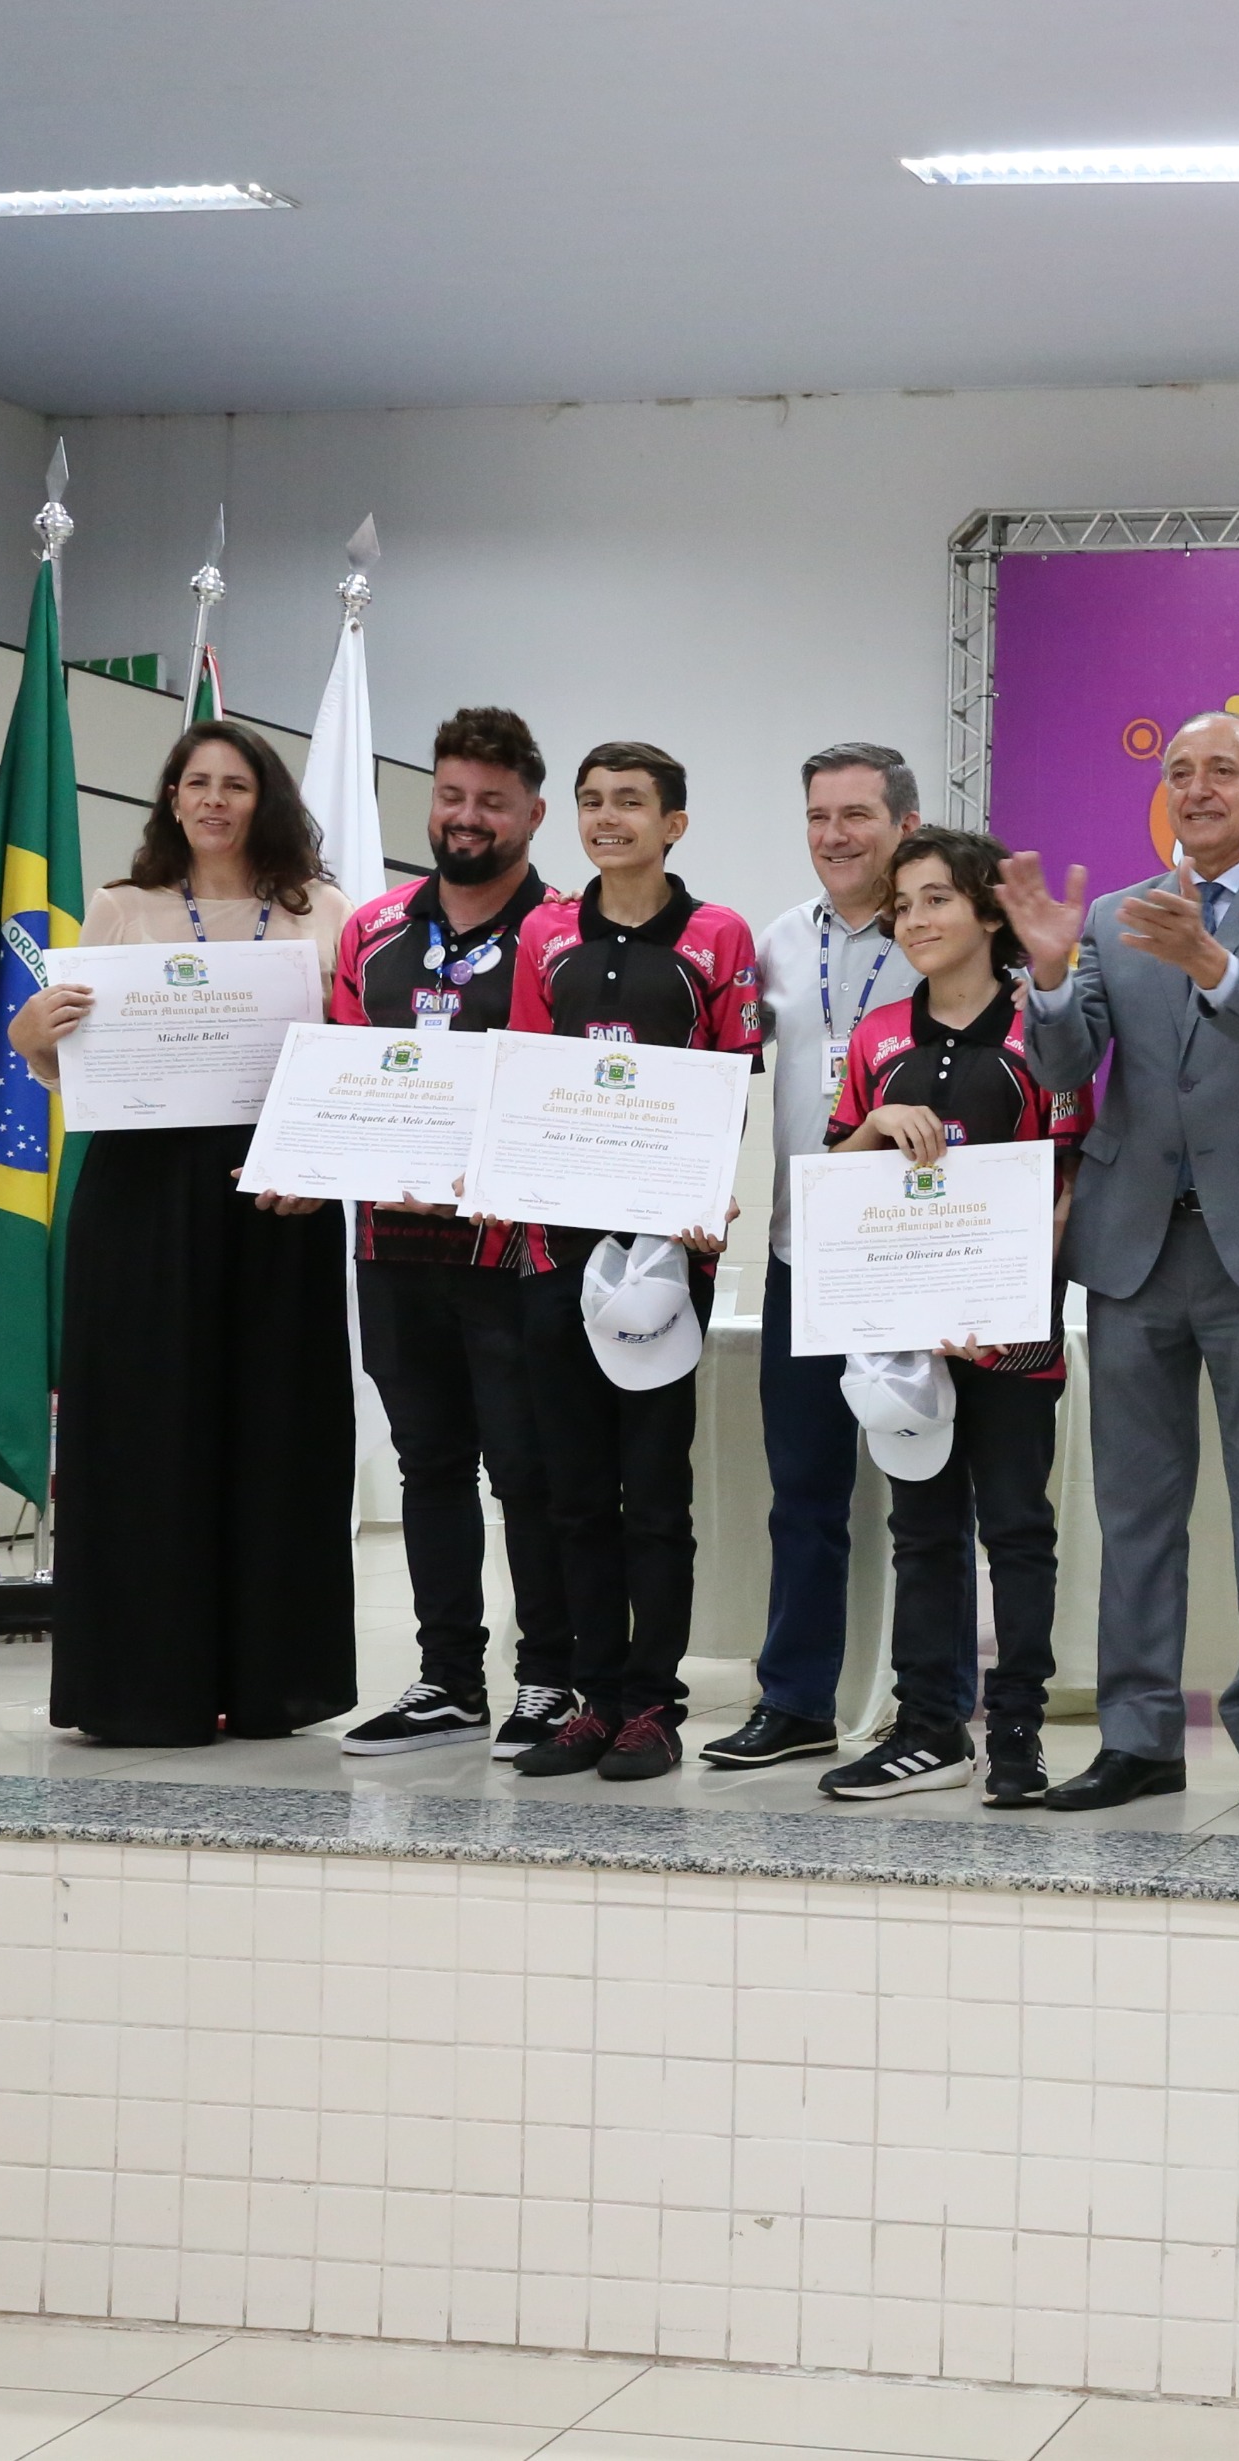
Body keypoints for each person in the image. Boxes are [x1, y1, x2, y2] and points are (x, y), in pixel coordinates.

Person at [1002, 712, 1239, 1825]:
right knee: (1133, 1508)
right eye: (1179, 772)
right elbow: (1065, 1068)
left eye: (1222, 770)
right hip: (1133, 1245)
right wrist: (1051, 974)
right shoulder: (1114, 916)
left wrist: (1212, 961)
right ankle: (1137, 1736)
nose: (1197, 788)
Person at [17, 719, 355, 1745]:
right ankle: (141, 1685)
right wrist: (33, 1036)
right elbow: (67, 1057)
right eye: (195, 782)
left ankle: (269, 1682)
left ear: (267, 798)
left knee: (275, 1429)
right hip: (141, 1197)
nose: (213, 800)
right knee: (143, 1430)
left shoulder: (325, 911)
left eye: (235, 784)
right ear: (172, 798)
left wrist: (321, 1163)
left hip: (279, 1196)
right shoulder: (121, 907)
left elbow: (355, 1055)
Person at [501, 741, 765, 1783]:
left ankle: (653, 1703)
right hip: (553, 1244)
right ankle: (593, 1697)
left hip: (663, 1252)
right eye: (592, 801)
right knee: (573, 1491)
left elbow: (728, 1079)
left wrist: (704, 1196)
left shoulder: (716, 935)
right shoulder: (545, 932)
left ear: (673, 824)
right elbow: (526, 1070)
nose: (607, 818)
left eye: (630, 802)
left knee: (653, 1493)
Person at [814, 828, 1093, 1807]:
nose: (914, 920)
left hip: (1009, 1333)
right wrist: (870, 1126)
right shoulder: (876, 1036)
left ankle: (1016, 1731)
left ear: (986, 911)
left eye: (935, 898)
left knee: (1016, 1528)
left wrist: (1004, 1301)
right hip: (903, 1339)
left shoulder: (1040, 1032)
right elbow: (834, 1181)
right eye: (902, 905)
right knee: (922, 1530)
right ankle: (928, 1727)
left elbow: (1068, 1183)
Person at [329, 707, 575, 1758]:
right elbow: (343, 1071)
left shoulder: (567, 932)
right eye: (450, 795)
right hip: (391, 1247)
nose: (466, 817)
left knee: (528, 1470)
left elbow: (570, 1095)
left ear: (534, 813)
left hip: (515, 1253)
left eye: (491, 801)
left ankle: (551, 1677)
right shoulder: (372, 929)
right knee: (428, 1463)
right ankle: (448, 1680)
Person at [704, 741, 916, 1770]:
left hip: (922, 1254)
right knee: (804, 1496)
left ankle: (935, 1710)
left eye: (856, 815)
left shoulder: (947, 928)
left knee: (932, 1499)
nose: (834, 835)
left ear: (905, 826)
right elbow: (718, 1075)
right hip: (805, 1252)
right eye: (818, 816)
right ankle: (796, 1702)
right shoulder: (780, 941)